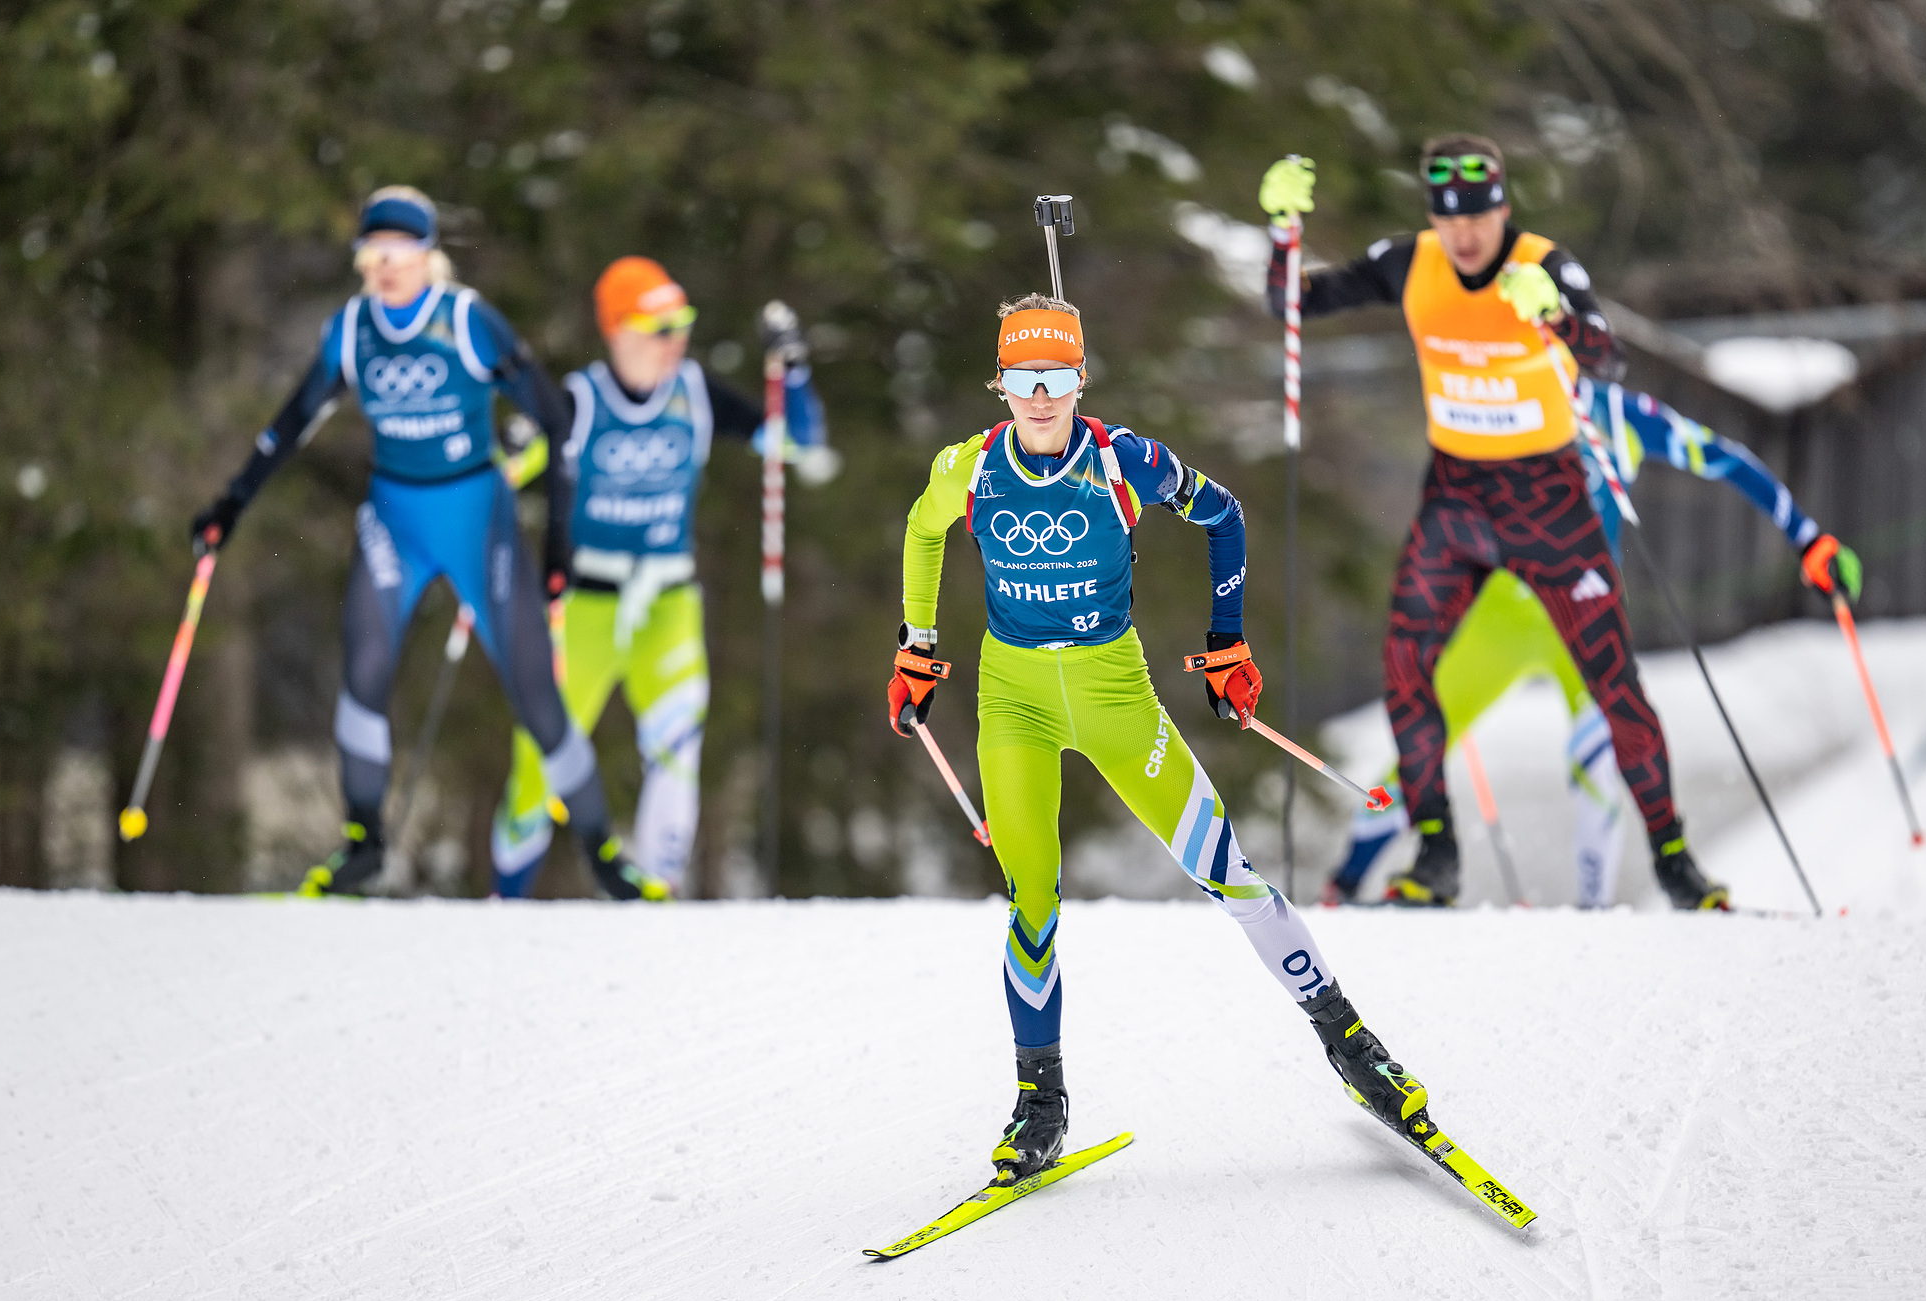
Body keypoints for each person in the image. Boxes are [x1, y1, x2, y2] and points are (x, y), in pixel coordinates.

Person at [890, 292, 1430, 1186]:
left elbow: (1225, 517)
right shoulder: (969, 468)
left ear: (1078, 378)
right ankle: (1040, 1103)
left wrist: (1227, 642)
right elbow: (920, 530)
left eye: (1056, 376)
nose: (1040, 396)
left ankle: (1351, 1044)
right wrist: (918, 646)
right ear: (1000, 384)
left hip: (1115, 696)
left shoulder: (1123, 460)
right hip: (1012, 702)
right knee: (1032, 903)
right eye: (1023, 378)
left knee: (1228, 872)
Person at [1257, 136, 1742, 909]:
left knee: (1616, 686)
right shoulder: (1409, 262)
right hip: (1456, 500)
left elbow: (1608, 357)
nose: (1467, 236)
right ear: (1433, 219)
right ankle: (1436, 854)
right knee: (1405, 668)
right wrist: (1282, 236)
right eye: (1451, 221)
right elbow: (1293, 305)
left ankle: (1675, 861)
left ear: (1503, 209)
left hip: (1548, 503)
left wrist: (1554, 315)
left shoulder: (1543, 263)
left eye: (1480, 216)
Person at [190, 187, 659, 899]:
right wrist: (230, 503)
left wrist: (558, 546)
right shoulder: (351, 331)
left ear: (427, 258)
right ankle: (363, 843)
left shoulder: (467, 322)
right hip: (394, 520)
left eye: (400, 255)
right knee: (365, 670)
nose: (385, 268)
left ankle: (602, 854)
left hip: (479, 520)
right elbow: (290, 424)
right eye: (372, 255)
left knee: (536, 694)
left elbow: (558, 419)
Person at [1325, 380, 1864, 907]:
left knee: (1599, 758)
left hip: (1580, 613)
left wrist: (1807, 537)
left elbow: (1726, 458)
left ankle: (1596, 911)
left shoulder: (1619, 413)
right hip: (1501, 619)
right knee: (1422, 740)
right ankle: (1345, 887)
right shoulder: (1499, 394)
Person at [488, 258, 827, 897]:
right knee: (538, 762)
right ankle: (501, 906)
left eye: (681, 326)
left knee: (677, 749)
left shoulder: (695, 394)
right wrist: (508, 447)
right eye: (658, 327)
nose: (675, 341)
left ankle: (654, 899)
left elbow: (799, 444)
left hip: (667, 603)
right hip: (584, 606)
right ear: (617, 331)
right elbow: (502, 475)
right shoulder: (577, 401)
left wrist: (796, 373)